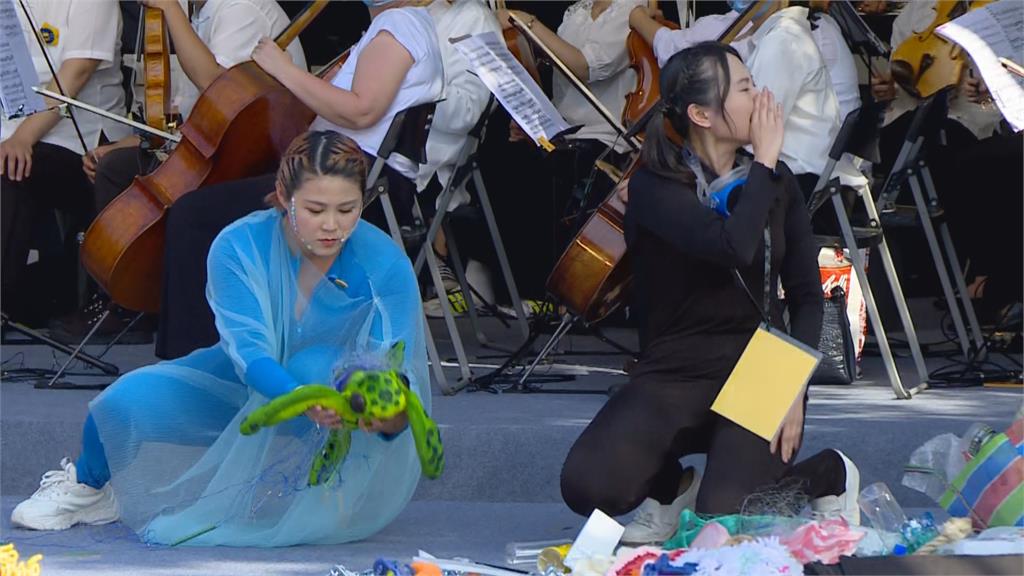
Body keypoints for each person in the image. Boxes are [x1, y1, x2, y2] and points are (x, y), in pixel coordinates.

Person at [11, 130, 430, 546]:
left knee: (316, 365)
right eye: (317, 209)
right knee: (122, 401)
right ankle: (87, 489)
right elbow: (249, 352)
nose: (333, 226)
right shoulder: (238, 245)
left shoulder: (385, 264)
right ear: (284, 197)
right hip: (248, 380)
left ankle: (328, 488)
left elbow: (393, 371)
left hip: (340, 403)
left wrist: (386, 414)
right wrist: (299, 396)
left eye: (348, 209)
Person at [560, 43, 860, 545]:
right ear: (701, 113)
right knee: (587, 484)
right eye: (743, 88)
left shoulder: (776, 180)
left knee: (725, 517)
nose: (760, 97)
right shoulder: (657, 185)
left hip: (762, 364)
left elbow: (807, 295)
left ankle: (829, 474)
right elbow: (732, 248)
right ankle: (671, 488)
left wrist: (793, 385)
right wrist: (764, 160)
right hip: (677, 365)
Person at [154, 0, 443, 359]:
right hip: (344, 173)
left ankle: (193, 360)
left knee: (194, 215)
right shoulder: (398, 25)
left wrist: (282, 68)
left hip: (346, 182)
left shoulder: (398, 25)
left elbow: (362, 110)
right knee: (215, 202)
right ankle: (240, 344)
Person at [48, 0, 307, 344]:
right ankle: (125, 298)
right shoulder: (199, 13)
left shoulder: (241, 9)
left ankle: (144, 304)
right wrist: (123, 144)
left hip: (257, 156)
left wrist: (170, 9)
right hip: (218, 147)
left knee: (177, 198)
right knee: (115, 166)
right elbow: (192, 122)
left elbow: (218, 88)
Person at [1, 0, 130, 326]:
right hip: (15, 132)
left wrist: (22, 138)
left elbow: (76, 74)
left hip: (82, 146)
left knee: (10, 170)